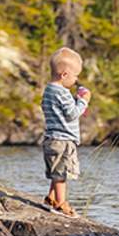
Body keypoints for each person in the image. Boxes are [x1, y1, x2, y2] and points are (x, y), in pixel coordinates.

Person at [40, 47, 91, 217]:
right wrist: (83, 101)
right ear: (64, 75)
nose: (76, 80)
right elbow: (72, 114)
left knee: (57, 171)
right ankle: (61, 204)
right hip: (63, 140)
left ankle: (51, 198)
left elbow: (61, 110)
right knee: (61, 174)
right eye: (75, 76)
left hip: (52, 138)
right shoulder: (62, 92)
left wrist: (75, 99)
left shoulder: (49, 90)